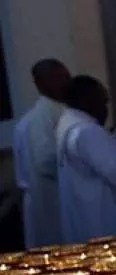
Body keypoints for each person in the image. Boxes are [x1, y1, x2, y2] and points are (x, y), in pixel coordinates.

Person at [56, 75, 116, 243]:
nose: (106, 109)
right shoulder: (86, 131)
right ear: (85, 102)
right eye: (103, 101)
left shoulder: (68, 124)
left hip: (87, 215)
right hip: (104, 219)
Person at [12, 59, 71, 248]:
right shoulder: (40, 118)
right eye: (59, 78)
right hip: (48, 199)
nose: (66, 82)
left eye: (66, 76)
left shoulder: (57, 111)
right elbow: (45, 160)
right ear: (41, 83)